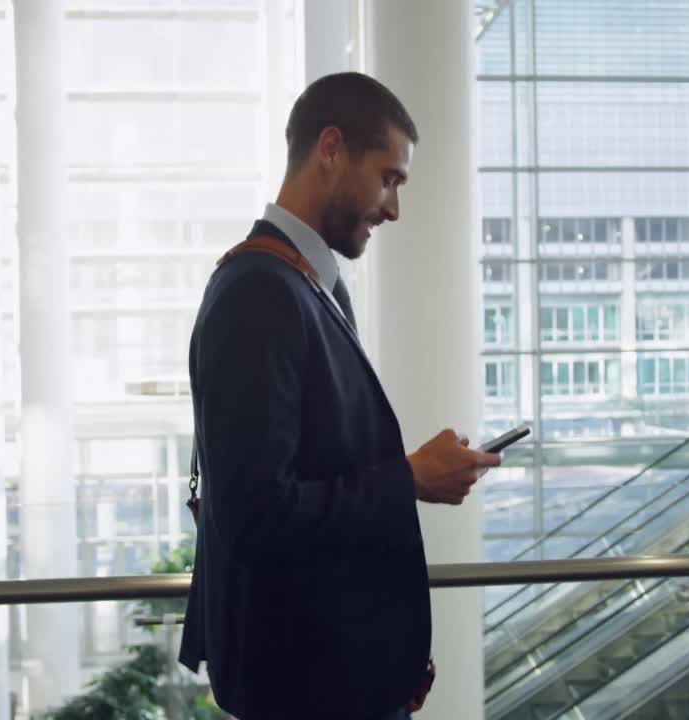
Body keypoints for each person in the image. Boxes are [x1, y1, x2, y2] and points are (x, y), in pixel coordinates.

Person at [178, 71, 501, 720]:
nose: (393, 207)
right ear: (330, 150)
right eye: (389, 178)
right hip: (307, 694)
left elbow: (314, 474)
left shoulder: (308, 285)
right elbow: (256, 514)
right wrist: (407, 476)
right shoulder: (259, 294)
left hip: (337, 680)